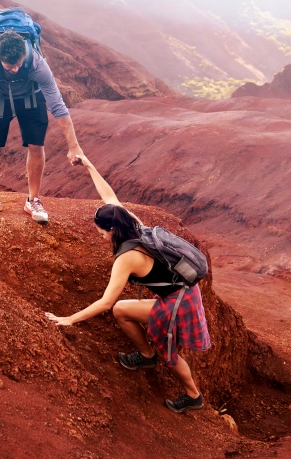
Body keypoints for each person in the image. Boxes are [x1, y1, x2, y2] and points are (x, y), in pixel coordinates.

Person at [44, 154, 211, 413]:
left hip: (178, 303)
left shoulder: (127, 258)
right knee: (127, 313)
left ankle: (193, 395)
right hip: (183, 292)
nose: (99, 235)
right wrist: (89, 165)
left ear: (111, 230)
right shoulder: (133, 224)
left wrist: (70, 319)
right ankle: (147, 356)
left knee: (167, 352)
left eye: (100, 231)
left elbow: (106, 302)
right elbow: (109, 197)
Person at [0, 29, 82, 223]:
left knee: (36, 145)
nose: (15, 69)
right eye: (9, 66)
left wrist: (74, 147)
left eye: (18, 64)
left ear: (24, 54)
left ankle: (33, 200)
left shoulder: (37, 64)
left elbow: (57, 105)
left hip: (31, 97)